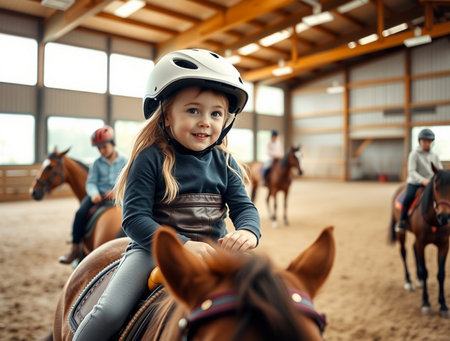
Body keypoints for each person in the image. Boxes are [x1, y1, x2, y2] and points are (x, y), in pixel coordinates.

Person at [72, 49, 261, 340]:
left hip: (213, 251)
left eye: (216, 113)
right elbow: (134, 219)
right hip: (151, 252)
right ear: (167, 116)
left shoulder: (226, 163)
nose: (205, 121)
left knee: (267, 298)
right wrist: (182, 245)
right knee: (108, 312)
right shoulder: (150, 159)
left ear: (226, 121)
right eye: (193, 110)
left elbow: (244, 208)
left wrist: (249, 231)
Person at [58, 125, 127, 264]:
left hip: (118, 197)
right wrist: (94, 193)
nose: (101, 151)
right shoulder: (96, 163)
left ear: (112, 144)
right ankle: (75, 248)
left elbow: (128, 180)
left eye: (104, 147)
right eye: (99, 148)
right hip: (99, 198)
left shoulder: (125, 161)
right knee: (80, 213)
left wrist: (117, 191)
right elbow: (91, 182)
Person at [395, 128, 443, 233]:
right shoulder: (414, 154)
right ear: (420, 141)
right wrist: (422, 180)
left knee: (443, 197)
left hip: (430, 183)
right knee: (408, 197)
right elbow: (411, 171)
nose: (427, 143)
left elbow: (439, 170)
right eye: (424, 141)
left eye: (429, 141)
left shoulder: (434, 156)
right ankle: (401, 221)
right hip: (415, 182)